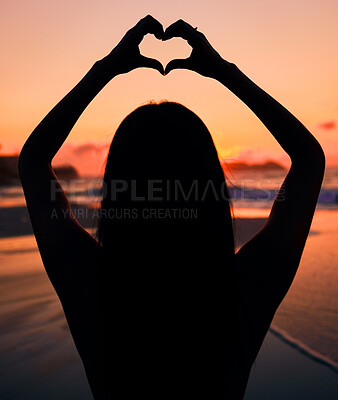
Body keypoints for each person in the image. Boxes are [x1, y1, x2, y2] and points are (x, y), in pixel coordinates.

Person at [19, 15, 325, 400]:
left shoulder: (90, 286)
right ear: (211, 188)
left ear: (117, 192)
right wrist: (223, 72)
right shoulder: (243, 292)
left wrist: (106, 69)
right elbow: (310, 159)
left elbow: (32, 161)